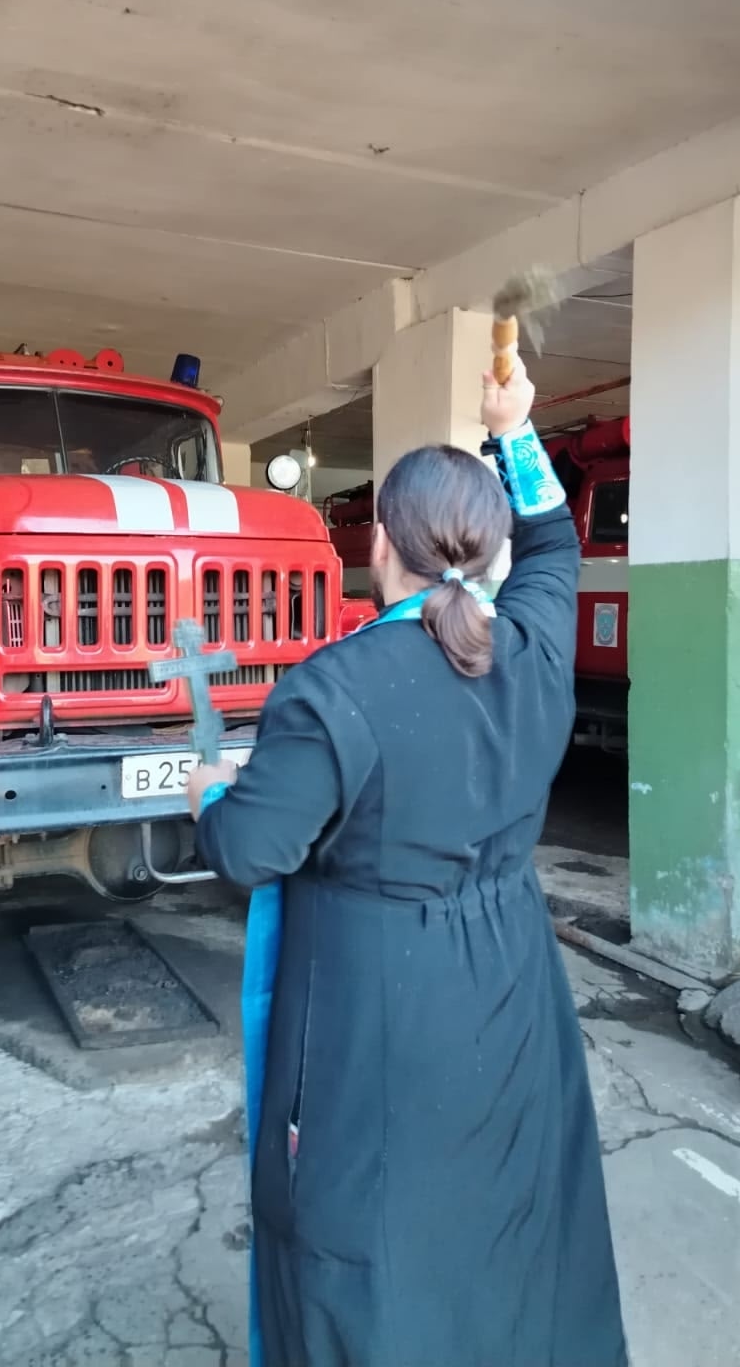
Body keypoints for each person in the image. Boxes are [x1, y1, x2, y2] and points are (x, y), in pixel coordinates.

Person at [186, 360, 628, 1367]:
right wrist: (515, 427)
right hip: (514, 977)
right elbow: (555, 541)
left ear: (380, 541)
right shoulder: (535, 649)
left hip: (377, 995)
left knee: (370, 1225)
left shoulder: (332, 688)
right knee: (509, 1201)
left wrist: (209, 793)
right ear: (491, 551)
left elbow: (250, 849)